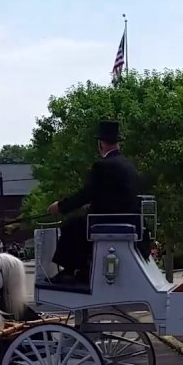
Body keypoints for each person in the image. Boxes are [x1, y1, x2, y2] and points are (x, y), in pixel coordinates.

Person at [47, 119, 141, 284]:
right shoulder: (129, 165)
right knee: (81, 224)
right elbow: (115, 194)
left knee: (71, 225)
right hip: (131, 219)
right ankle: (84, 268)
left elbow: (86, 193)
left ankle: (70, 271)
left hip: (110, 220)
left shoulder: (102, 166)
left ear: (100, 144)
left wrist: (61, 207)